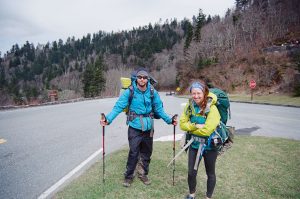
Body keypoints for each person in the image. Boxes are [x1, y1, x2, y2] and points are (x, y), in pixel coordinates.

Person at [100, 67, 177, 187]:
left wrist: (169, 120)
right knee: (134, 153)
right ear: (136, 78)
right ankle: (128, 176)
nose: (142, 79)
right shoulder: (130, 91)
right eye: (140, 77)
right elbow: (118, 107)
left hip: (149, 127)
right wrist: (108, 119)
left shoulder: (152, 92)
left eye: (144, 77)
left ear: (147, 79)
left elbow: (159, 109)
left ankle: (143, 173)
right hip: (134, 127)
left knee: (147, 152)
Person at [179, 81, 221, 199]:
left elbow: (207, 131)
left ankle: (208, 197)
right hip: (194, 145)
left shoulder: (212, 108)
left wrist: (190, 127)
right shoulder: (190, 106)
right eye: (193, 93)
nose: (196, 96)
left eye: (198, 93)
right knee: (191, 172)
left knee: (210, 173)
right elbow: (182, 124)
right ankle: (192, 195)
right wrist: (195, 126)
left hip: (210, 146)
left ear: (204, 93)